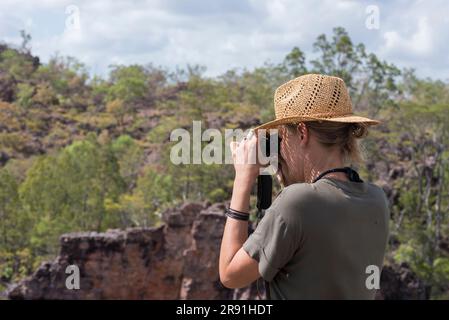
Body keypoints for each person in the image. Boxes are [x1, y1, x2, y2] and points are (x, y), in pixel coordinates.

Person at [219, 74, 390, 299]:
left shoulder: (297, 202)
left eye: (282, 137)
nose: (280, 147)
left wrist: (243, 176)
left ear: (302, 132)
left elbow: (231, 274)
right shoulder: (376, 199)